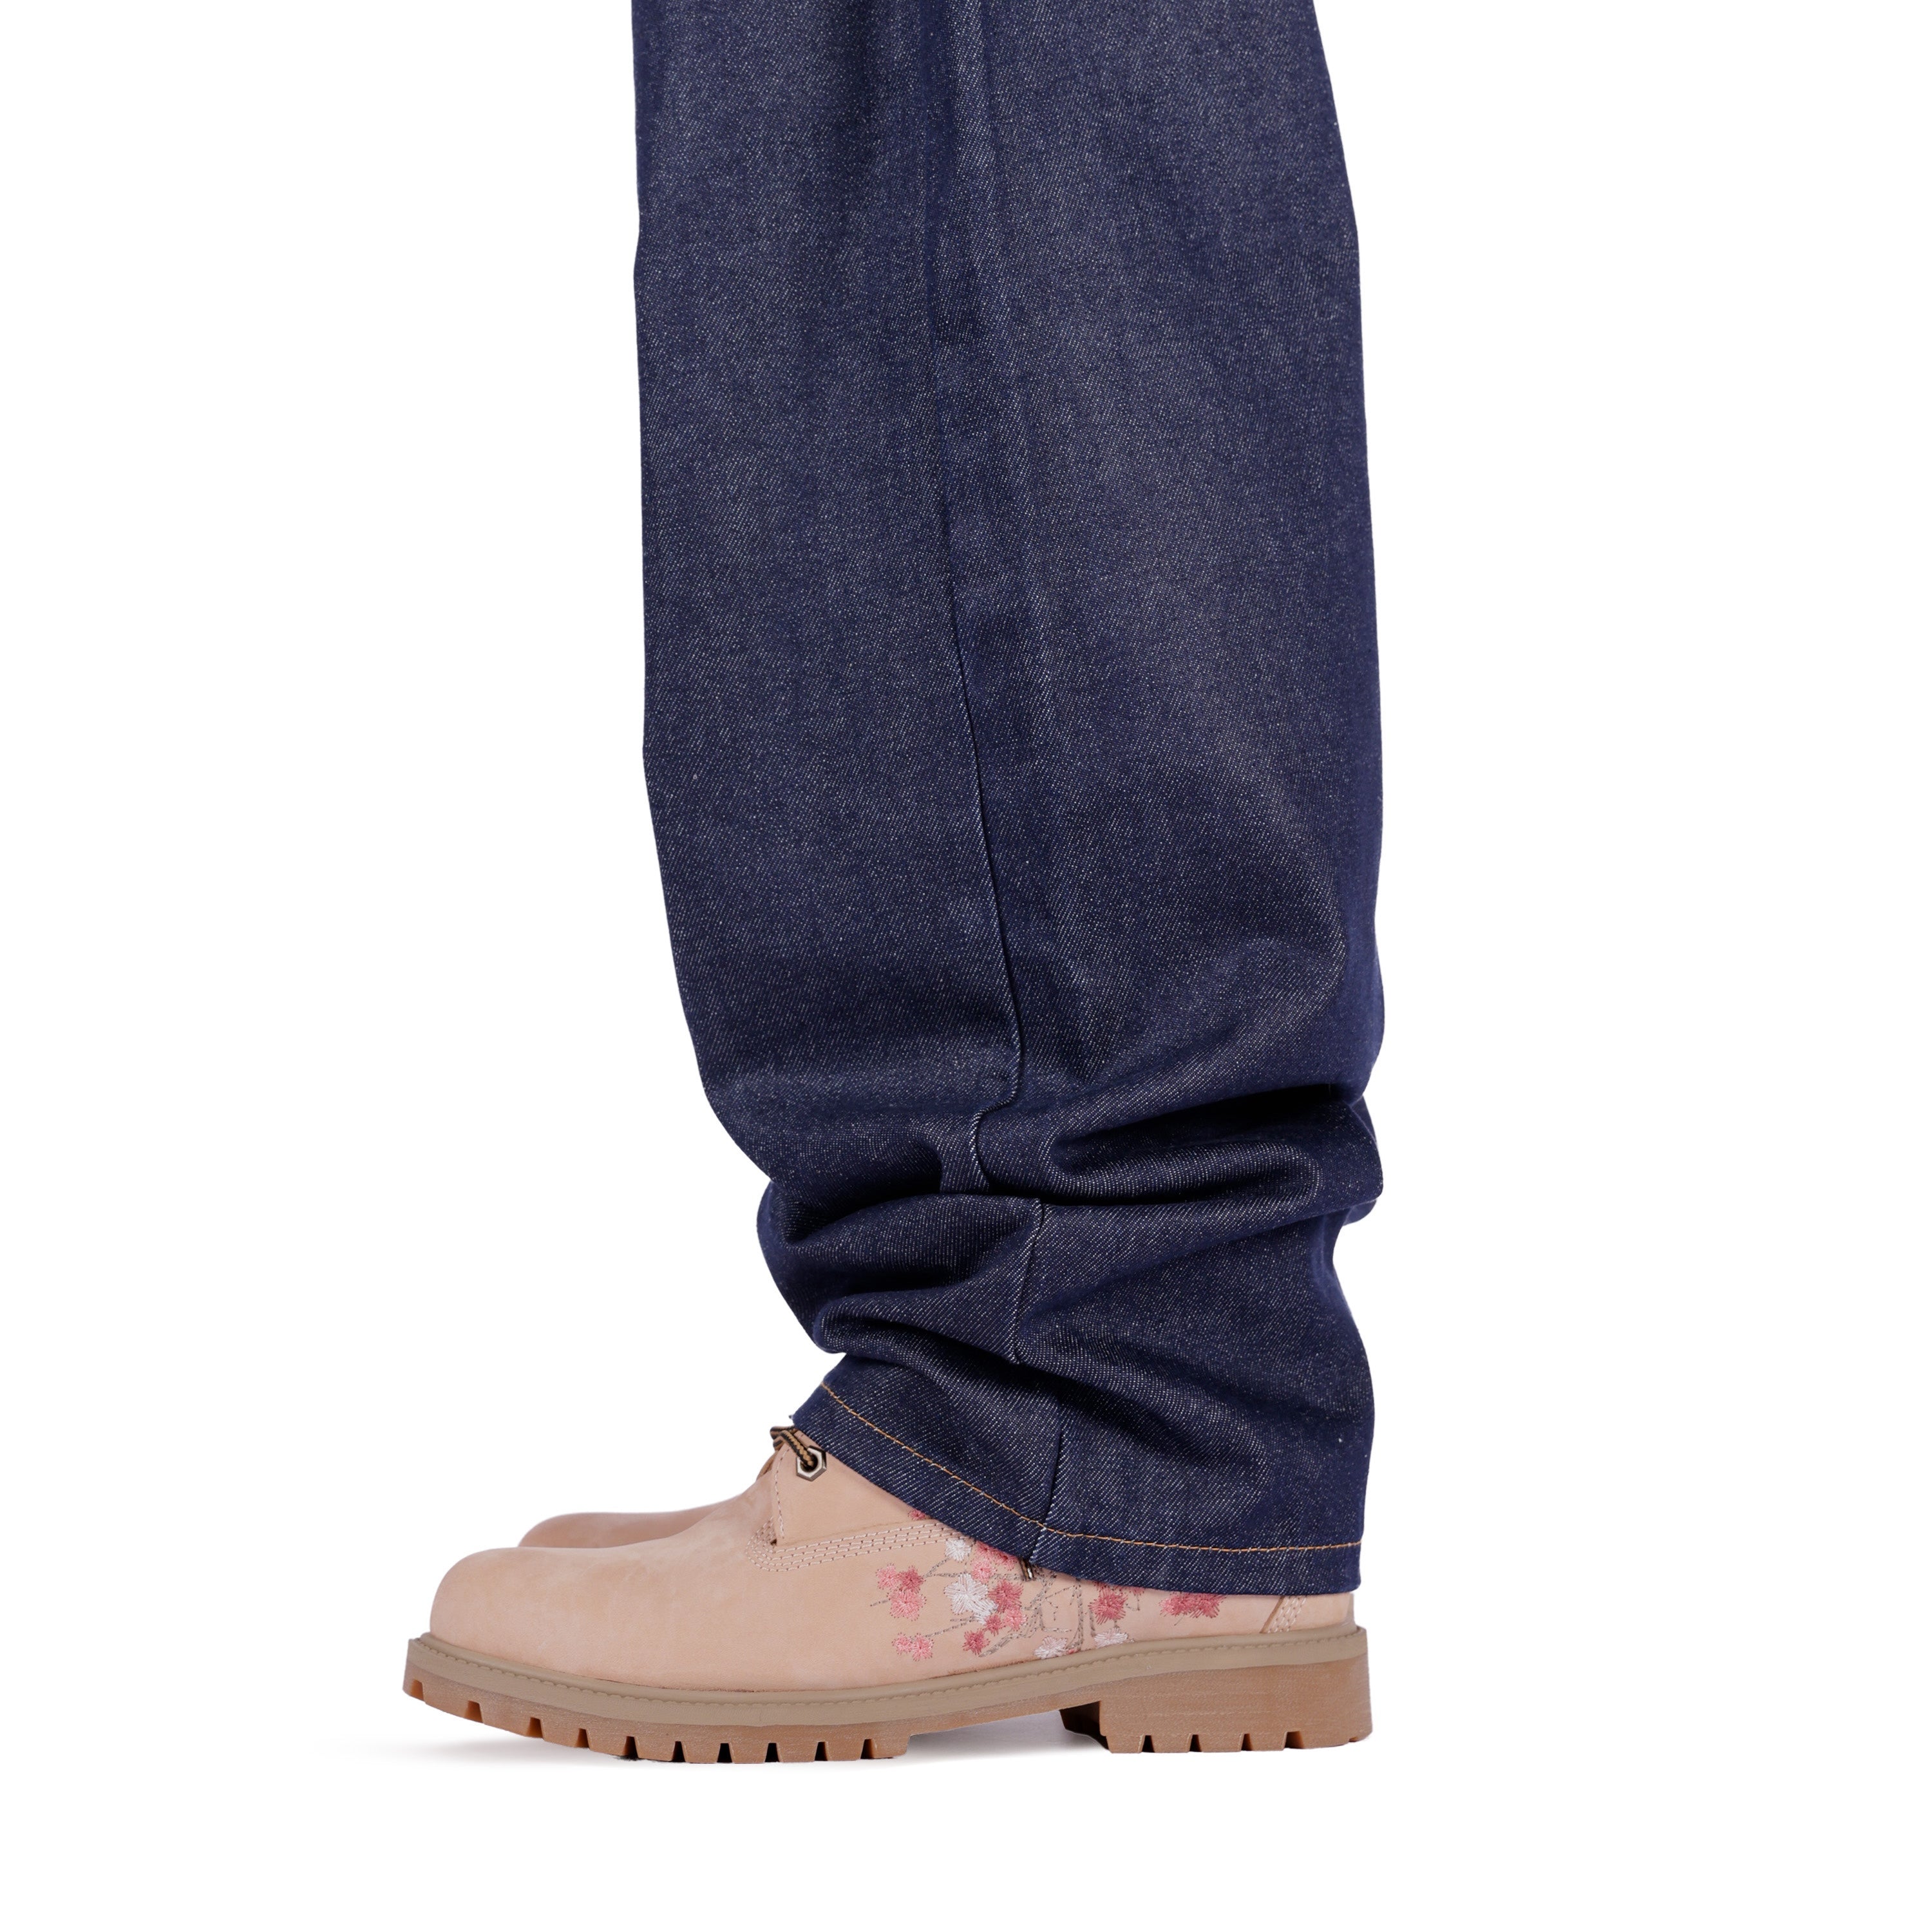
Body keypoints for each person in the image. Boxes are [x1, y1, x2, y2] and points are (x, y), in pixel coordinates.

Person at [405, 0, 1382, 1759]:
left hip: (1084, 1380)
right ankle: (1094, 1401)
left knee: (992, 73)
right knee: (841, 96)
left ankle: (1092, 1408)